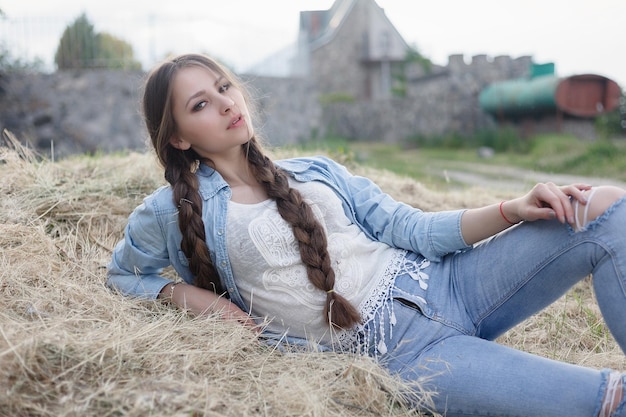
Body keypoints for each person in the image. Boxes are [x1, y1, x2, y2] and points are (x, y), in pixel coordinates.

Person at [107, 53, 626, 417]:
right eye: (199, 104)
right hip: (402, 354)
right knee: (609, 400)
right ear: (177, 136)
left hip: (447, 282)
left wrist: (512, 209)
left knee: (600, 207)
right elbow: (124, 274)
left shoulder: (314, 170)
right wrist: (197, 300)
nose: (224, 103)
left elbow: (412, 228)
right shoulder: (172, 210)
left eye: (224, 87)